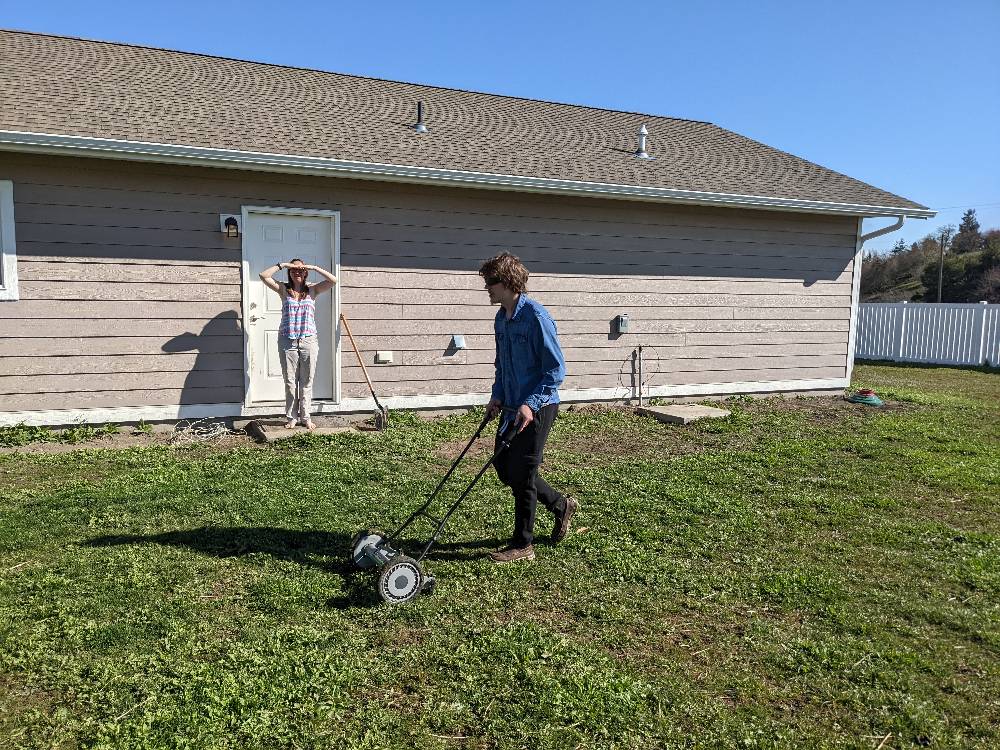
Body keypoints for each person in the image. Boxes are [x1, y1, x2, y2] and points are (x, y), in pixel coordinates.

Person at [480, 252, 578, 563]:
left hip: (537, 407)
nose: (487, 289)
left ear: (508, 282)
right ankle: (561, 505)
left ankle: (523, 544)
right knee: (504, 467)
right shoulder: (501, 318)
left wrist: (529, 404)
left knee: (522, 474)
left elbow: (555, 370)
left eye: (490, 282)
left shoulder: (536, 317)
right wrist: (498, 395)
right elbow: (502, 366)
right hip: (510, 406)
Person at [259, 259, 338, 430]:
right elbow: (264, 276)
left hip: (309, 340)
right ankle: (292, 417)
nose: (297, 272)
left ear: (305, 272)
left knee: (307, 381)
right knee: (290, 382)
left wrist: (314, 267)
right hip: (288, 340)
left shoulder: (313, 290)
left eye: (301, 269)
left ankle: (306, 417)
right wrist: (284, 265)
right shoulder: (283, 289)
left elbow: (333, 280)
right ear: (289, 273)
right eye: (294, 270)